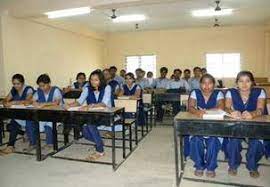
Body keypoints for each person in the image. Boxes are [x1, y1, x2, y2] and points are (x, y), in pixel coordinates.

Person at [225, 71, 269, 178]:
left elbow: (260, 109)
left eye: (248, 81)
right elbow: (226, 107)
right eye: (241, 81)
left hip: (256, 123)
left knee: (256, 142)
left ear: (252, 83)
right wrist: (232, 112)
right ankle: (234, 164)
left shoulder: (260, 91)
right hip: (238, 123)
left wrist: (252, 114)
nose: (244, 84)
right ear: (236, 83)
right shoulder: (230, 92)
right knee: (233, 140)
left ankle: (252, 166)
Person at [66, 70, 112, 161]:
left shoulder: (107, 87)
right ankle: (99, 142)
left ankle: (100, 151)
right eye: (91, 79)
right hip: (92, 115)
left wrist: (90, 106)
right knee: (83, 131)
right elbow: (79, 101)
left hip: (106, 114)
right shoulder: (87, 88)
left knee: (91, 124)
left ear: (101, 80)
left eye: (96, 80)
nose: (93, 82)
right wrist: (69, 105)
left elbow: (104, 103)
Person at [188, 73, 224, 178]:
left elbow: (220, 108)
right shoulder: (195, 92)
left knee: (213, 140)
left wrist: (205, 111)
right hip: (198, 123)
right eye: (204, 83)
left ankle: (211, 167)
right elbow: (190, 107)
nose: (207, 86)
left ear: (214, 84)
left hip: (214, 124)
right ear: (200, 84)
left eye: (210, 83)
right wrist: (197, 112)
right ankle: (199, 165)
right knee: (195, 139)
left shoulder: (219, 93)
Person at [0, 74, 35, 155]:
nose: (16, 86)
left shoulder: (28, 89)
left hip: (29, 115)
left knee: (13, 124)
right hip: (18, 114)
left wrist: (13, 102)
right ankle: (12, 145)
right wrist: (5, 102)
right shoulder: (14, 90)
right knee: (10, 126)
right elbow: (6, 98)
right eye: (14, 84)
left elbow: (27, 101)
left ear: (23, 83)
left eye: (18, 84)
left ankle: (10, 146)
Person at [32, 74, 63, 151]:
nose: (42, 88)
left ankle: (50, 143)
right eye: (40, 86)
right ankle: (33, 142)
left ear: (49, 83)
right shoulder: (39, 91)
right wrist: (35, 103)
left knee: (48, 126)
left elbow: (56, 102)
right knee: (35, 125)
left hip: (57, 114)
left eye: (43, 86)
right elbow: (33, 100)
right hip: (45, 114)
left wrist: (43, 104)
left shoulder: (55, 90)